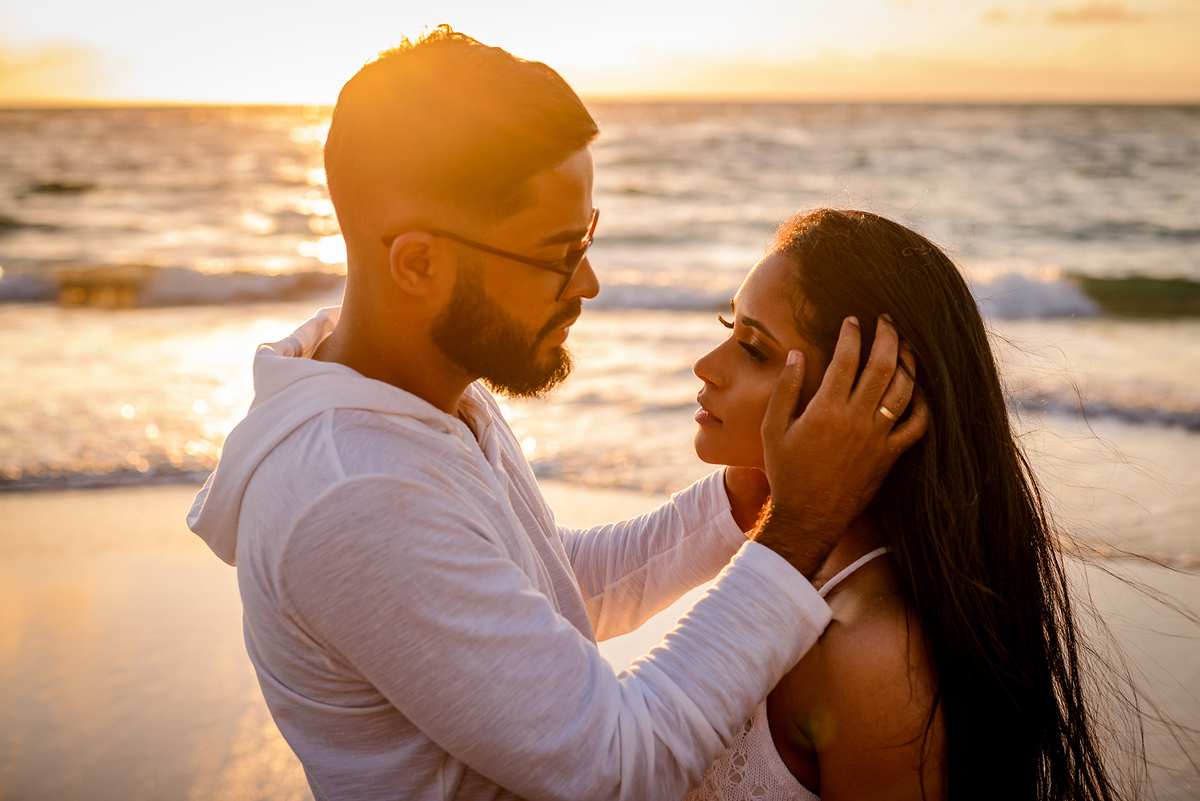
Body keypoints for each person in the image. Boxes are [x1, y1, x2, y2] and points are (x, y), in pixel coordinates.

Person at [185, 29, 927, 800]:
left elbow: (533, 598)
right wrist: (799, 525)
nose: (590, 281)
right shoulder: (354, 490)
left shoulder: (427, 397)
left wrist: (741, 503)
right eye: (557, 252)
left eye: (588, 235)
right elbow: (613, 767)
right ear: (419, 264)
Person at [685, 208, 1122, 801]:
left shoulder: (871, 653)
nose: (706, 366)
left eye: (754, 349)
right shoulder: (776, 559)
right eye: (728, 326)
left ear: (866, 393)